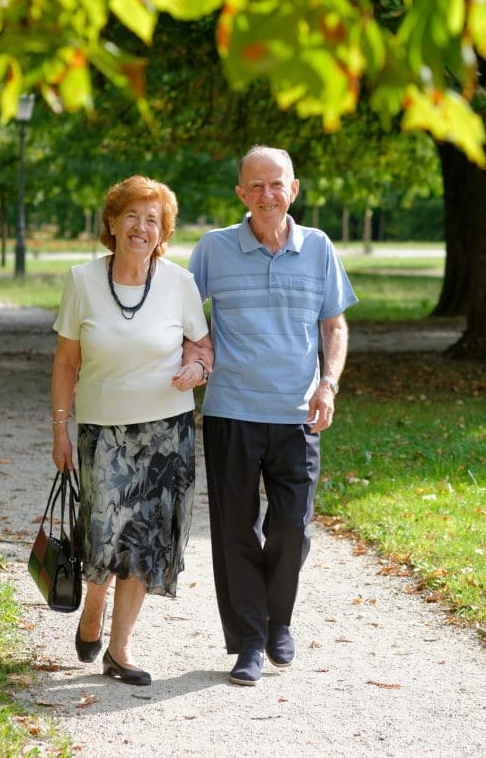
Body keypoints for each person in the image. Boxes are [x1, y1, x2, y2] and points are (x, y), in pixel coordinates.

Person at [188, 146, 358, 686]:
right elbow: (187, 318)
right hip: (232, 412)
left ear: (294, 189)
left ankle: (277, 618)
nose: (267, 195)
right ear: (241, 193)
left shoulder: (319, 248)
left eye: (276, 184)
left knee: (291, 526)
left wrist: (328, 383)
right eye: (255, 186)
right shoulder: (214, 249)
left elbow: (334, 325)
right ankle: (250, 643)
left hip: (298, 413)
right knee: (235, 529)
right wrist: (204, 351)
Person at [50, 175, 213, 686]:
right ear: (112, 223)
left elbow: (202, 347)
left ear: (162, 231)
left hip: (167, 432)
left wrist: (198, 370)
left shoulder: (179, 283)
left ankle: (119, 652)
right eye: (132, 217)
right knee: (104, 532)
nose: (142, 228)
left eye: (153, 220)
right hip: (104, 432)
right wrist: (60, 429)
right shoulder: (81, 281)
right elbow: (66, 363)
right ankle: (91, 606)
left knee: (143, 541)